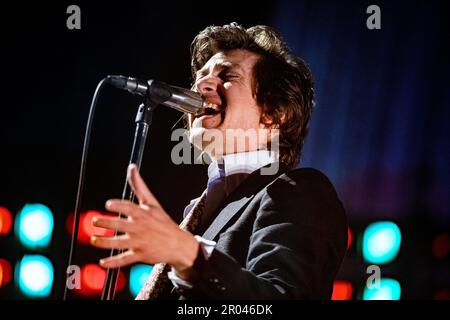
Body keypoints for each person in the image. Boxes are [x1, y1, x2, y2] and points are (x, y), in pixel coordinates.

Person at [90, 22, 348, 299]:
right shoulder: (201, 209)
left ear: (274, 113)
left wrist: (187, 254)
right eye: (201, 76)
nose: (201, 84)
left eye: (228, 75)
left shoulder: (300, 191)